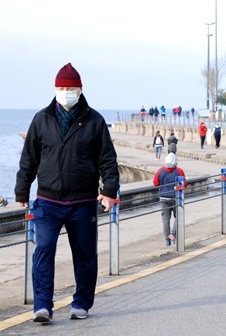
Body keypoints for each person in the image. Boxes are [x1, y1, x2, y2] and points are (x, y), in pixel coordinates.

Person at [15, 63, 120, 322]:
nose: (66, 92)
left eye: (70, 88)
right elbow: (29, 158)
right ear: (55, 89)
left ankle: (82, 303)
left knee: (85, 255)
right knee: (44, 250)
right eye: (62, 88)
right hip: (47, 201)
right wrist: (21, 192)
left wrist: (108, 191)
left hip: (83, 202)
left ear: (80, 89)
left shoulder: (94, 120)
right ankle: (42, 306)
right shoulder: (42, 119)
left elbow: (107, 159)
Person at [153, 153, 188, 246]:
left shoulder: (160, 171)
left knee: (165, 219)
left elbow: (155, 183)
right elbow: (184, 184)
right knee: (179, 216)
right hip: (176, 198)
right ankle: (173, 233)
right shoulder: (179, 171)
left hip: (164, 198)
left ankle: (167, 240)